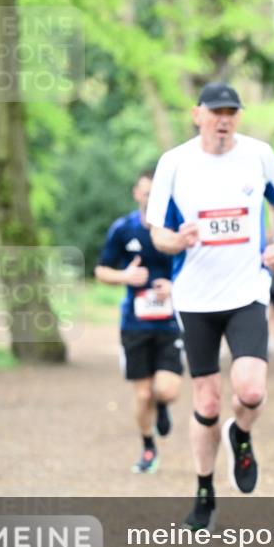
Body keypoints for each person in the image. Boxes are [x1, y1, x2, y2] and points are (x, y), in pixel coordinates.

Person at [147, 82, 274, 530]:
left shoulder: (259, 154)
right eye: (216, 112)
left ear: (239, 116)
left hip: (247, 289)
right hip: (195, 297)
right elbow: (158, 233)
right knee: (206, 401)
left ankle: (242, 433)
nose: (224, 119)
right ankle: (204, 489)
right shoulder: (174, 162)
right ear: (198, 115)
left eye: (231, 111)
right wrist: (178, 239)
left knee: (250, 390)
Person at [95, 170, 183, 474]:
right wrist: (124, 276)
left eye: (156, 193)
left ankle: (162, 406)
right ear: (137, 193)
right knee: (142, 393)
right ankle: (148, 447)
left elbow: (196, 270)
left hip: (171, 322)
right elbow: (101, 270)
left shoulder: (176, 230)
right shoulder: (123, 229)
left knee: (167, 391)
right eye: (146, 192)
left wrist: (176, 287)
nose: (151, 198)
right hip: (135, 323)